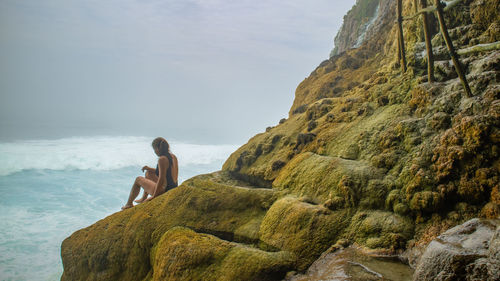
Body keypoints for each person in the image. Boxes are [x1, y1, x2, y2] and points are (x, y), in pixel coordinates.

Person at [121, 137, 178, 210]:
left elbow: (161, 178)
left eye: (154, 150)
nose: (154, 152)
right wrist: (148, 168)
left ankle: (128, 204)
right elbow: (166, 171)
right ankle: (143, 198)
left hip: (164, 190)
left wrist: (154, 196)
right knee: (148, 173)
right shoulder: (173, 156)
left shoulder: (162, 159)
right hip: (173, 187)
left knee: (138, 179)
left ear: (157, 149)